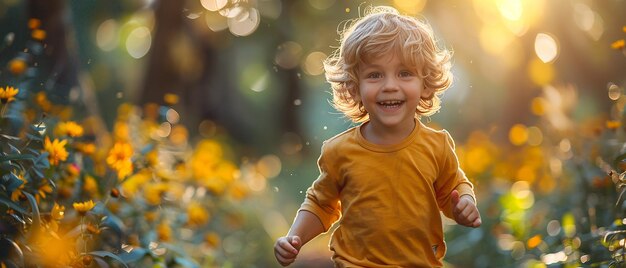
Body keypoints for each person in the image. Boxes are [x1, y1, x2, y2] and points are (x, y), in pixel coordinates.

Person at [274, 6, 481, 267]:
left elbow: (453, 190)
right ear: (354, 87)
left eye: (404, 73)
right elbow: (321, 205)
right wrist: (294, 238)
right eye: (374, 75)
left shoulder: (436, 145)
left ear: (425, 83)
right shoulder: (339, 151)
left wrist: (464, 204)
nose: (390, 85)